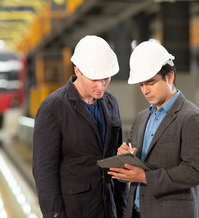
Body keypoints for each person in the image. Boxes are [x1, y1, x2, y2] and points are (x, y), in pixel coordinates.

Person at [108, 40, 199, 218]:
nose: (145, 90)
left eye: (151, 83)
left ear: (169, 77)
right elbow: (139, 162)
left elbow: (194, 172)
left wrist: (144, 177)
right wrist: (125, 156)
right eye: (141, 85)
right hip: (136, 212)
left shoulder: (192, 118)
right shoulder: (141, 118)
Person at [33, 35, 128, 218]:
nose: (101, 86)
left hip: (108, 210)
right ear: (78, 71)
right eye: (95, 80)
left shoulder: (111, 103)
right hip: (74, 210)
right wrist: (54, 215)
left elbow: (117, 162)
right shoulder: (53, 107)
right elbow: (44, 169)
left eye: (106, 79)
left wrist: (122, 209)